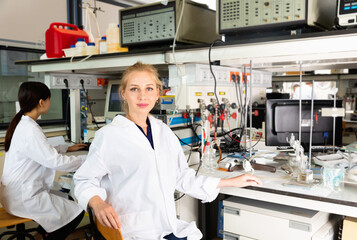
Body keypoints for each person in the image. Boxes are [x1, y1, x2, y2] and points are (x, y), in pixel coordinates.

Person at [74, 62, 262, 240]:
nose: (142, 96)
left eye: (149, 88)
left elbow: (181, 176)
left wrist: (229, 181)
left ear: (157, 94)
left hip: (166, 226)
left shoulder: (163, 131)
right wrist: (97, 203)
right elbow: (84, 180)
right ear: (123, 94)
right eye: (134, 89)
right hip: (131, 230)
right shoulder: (108, 136)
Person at [0, 82, 87, 240]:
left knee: (65, 199)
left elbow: (39, 148)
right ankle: (44, 237)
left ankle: (39, 235)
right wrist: (87, 159)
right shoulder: (30, 129)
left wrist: (66, 148)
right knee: (76, 213)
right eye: (49, 99)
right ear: (42, 102)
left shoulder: (22, 123)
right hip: (22, 197)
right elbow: (55, 162)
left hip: (14, 194)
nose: (49, 102)